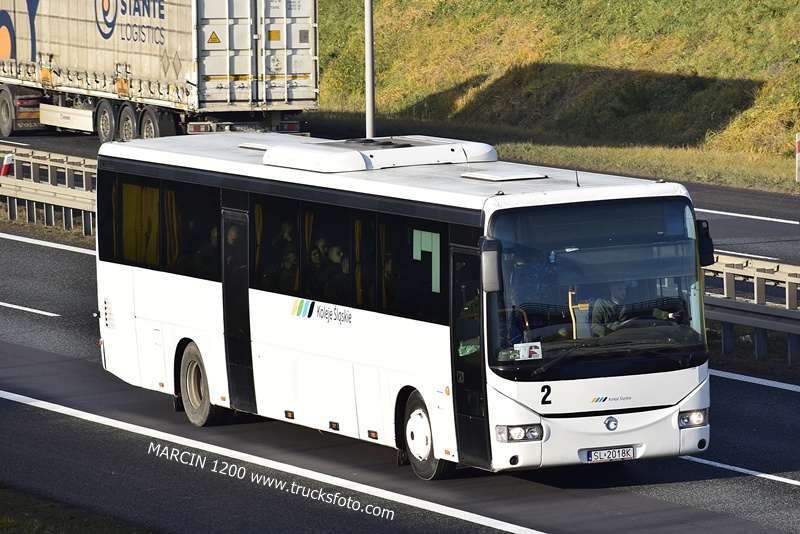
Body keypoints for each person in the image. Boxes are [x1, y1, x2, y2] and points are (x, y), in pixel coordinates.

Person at [591, 281, 683, 337]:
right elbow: (595, 326)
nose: (623, 292)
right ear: (612, 289)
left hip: (629, 338)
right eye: (620, 289)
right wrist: (609, 334)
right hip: (609, 342)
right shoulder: (601, 303)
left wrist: (669, 315)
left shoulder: (630, 303)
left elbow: (648, 310)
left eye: (625, 289)